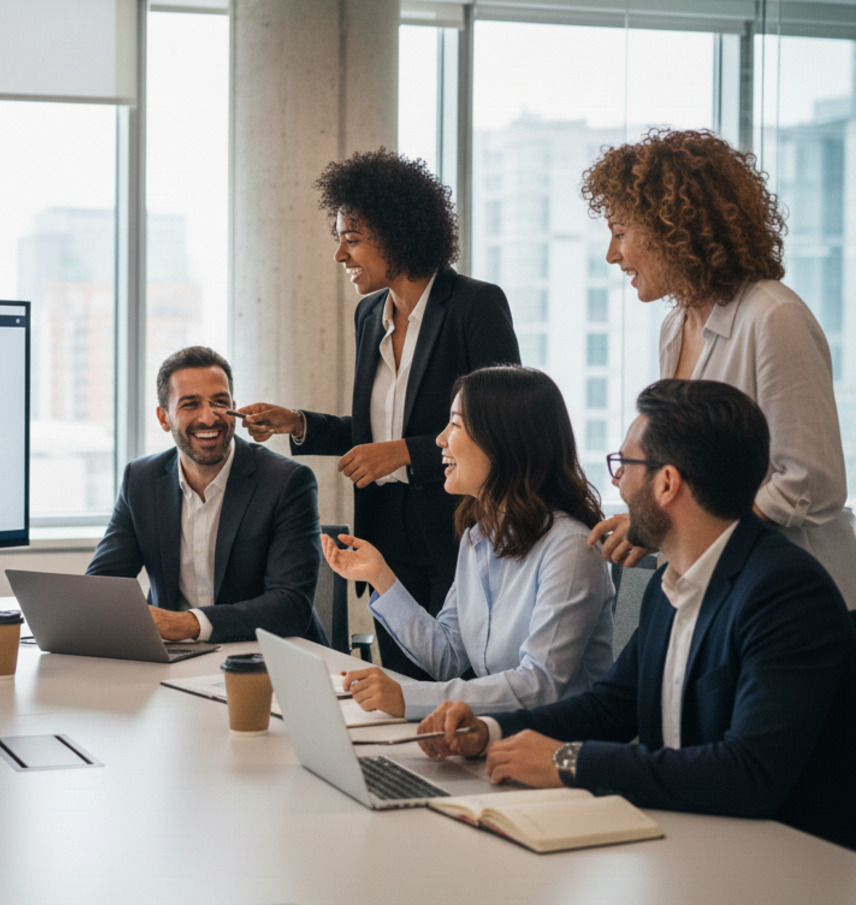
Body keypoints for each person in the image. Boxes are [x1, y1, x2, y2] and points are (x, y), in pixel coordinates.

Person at [419, 379, 856, 850]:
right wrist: (490, 730)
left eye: (624, 464)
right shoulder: (670, 586)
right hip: (688, 836)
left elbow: (747, 773)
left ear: (667, 483)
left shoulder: (784, 593)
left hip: (786, 863)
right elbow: (612, 706)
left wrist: (570, 761)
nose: (616, 481)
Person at [238, 149, 520, 677]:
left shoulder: (474, 307)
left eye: (352, 238)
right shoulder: (370, 314)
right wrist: (297, 423)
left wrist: (404, 453)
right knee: (398, 687)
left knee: (457, 684)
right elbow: (374, 433)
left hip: (457, 527)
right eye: (339, 238)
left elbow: (506, 424)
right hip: (386, 532)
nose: (340, 255)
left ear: (396, 233)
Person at [582, 127, 856, 609]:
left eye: (621, 233)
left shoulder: (773, 316)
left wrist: (674, 528)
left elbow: (810, 480)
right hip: (718, 593)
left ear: (674, 226)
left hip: (797, 601)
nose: (612, 254)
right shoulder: (675, 326)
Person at [321, 365, 614, 720]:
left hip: (560, 750)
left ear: (503, 440)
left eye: (455, 425)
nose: (440, 439)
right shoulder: (480, 538)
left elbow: (539, 686)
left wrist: (409, 697)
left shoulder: (569, 548)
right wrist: (381, 577)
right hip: (498, 738)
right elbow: (448, 657)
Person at [87, 346, 327, 645]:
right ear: (164, 418)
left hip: (269, 656)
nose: (209, 418)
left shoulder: (286, 482)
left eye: (219, 403)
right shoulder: (140, 480)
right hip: (175, 660)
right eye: (190, 404)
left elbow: (290, 606)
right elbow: (101, 587)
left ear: (234, 408)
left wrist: (189, 624)